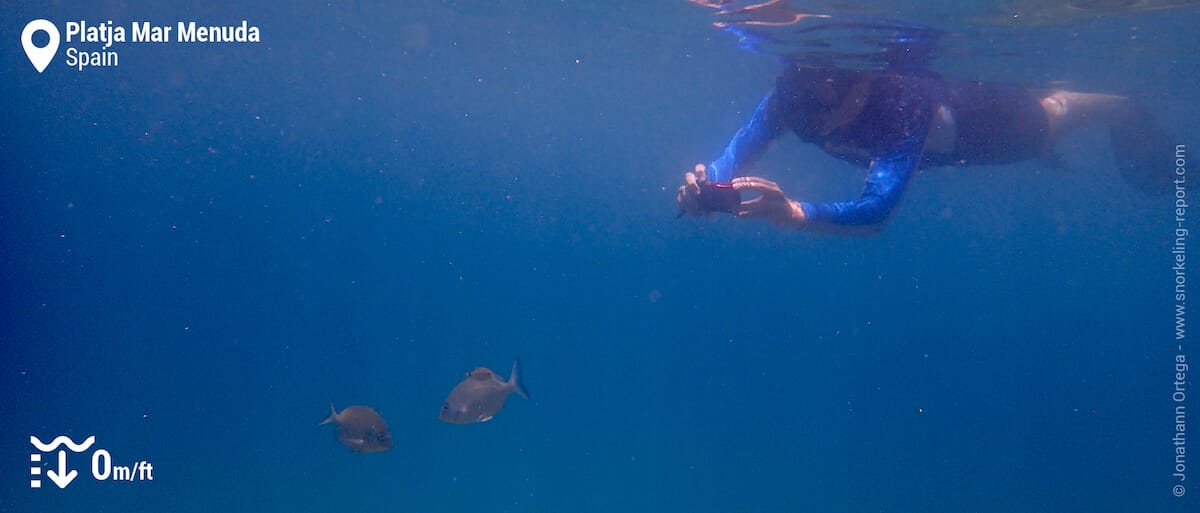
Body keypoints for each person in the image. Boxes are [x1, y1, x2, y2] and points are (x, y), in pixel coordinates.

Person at [676, 65, 1171, 231]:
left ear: (860, 85)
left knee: (1063, 113)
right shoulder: (794, 96)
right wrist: (705, 181)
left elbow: (877, 208)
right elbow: (736, 149)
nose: (816, 129)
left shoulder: (900, 106)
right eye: (805, 119)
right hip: (959, 120)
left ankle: (1136, 118)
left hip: (1009, 129)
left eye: (824, 114)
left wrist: (799, 212)